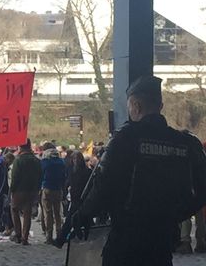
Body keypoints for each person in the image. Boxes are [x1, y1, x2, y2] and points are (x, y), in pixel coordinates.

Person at [73, 76, 206, 266]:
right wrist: (174, 215)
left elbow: (104, 186)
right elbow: (202, 191)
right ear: (160, 105)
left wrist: (84, 213)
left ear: (136, 106)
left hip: (126, 237)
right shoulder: (186, 143)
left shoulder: (125, 139)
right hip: (162, 239)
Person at [10, 139, 42, 245]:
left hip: (19, 190)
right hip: (31, 190)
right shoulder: (36, 160)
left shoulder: (18, 160)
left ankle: (18, 233)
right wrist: (37, 189)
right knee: (27, 213)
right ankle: (25, 237)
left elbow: (14, 177)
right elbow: (40, 176)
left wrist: (12, 190)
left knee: (14, 210)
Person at [40, 144, 66, 245]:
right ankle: (59, 234)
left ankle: (49, 236)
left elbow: (41, 175)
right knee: (58, 214)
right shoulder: (61, 162)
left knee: (48, 213)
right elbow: (64, 176)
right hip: (58, 189)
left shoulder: (45, 162)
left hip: (47, 188)